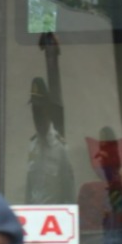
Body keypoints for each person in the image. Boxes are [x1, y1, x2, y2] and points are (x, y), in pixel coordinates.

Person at [25, 77, 76, 205]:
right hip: (34, 215)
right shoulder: (32, 146)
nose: (37, 117)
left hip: (54, 215)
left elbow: (69, 194)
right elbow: (29, 190)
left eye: (39, 110)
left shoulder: (60, 148)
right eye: (34, 111)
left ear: (47, 111)